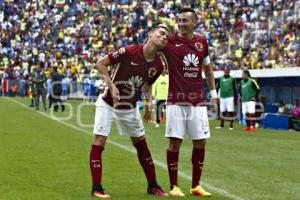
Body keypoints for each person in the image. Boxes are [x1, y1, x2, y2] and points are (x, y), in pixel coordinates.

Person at [89, 24, 170, 198]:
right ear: (150, 34)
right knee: (99, 140)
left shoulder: (158, 66)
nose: (164, 37)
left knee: (141, 144)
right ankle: (97, 187)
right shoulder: (129, 51)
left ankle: (153, 185)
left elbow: (148, 84)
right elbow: (100, 64)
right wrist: (111, 87)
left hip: (130, 108)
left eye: (166, 37)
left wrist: (148, 105)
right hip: (108, 103)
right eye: (161, 33)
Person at [161, 8, 217, 197]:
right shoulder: (169, 42)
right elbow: (150, 46)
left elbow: (208, 71)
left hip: (197, 102)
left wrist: (214, 94)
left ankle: (196, 185)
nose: (181, 23)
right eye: (179, 20)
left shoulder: (202, 43)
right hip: (176, 102)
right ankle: (174, 186)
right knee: (175, 142)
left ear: (195, 22)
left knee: (200, 142)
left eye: (185, 20)